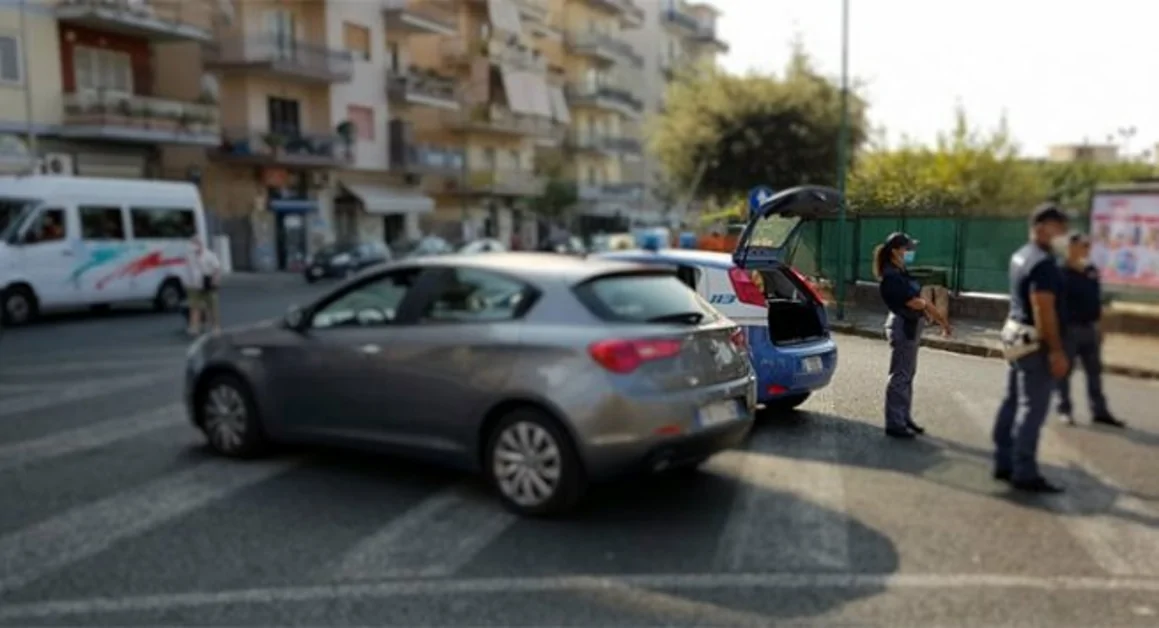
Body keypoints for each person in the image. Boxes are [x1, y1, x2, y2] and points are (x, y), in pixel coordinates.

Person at [992, 204, 1071, 493]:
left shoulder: (1021, 255)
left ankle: (1004, 460)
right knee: (1032, 408)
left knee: (1012, 400)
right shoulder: (1044, 264)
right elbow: (1043, 310)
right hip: (1034, 340)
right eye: (1059, 229)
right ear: (1041, 228)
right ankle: (1024, 471)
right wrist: (1056, 351)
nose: (1064, 235)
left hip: (1014, 333)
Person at [875, 232, 952, 439]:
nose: (910, 252)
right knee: (900, 375)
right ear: (895, 251)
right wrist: (924, 305)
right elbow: (914, 302)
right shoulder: (891, 276)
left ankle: (903, 417)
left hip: (912, 325)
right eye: (906, 249)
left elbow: (921, 301)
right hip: (903, 326)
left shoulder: (901, 272)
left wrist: (942, 321)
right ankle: (895, 422)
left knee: (908, 375)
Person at [1057, 232, 1125, 427]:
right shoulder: (1060, 272)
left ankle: (1100, 411)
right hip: (1069, 329)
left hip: (1090, 328)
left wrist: (1100, 327)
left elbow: (1096, 302)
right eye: (1082, 245)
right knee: (1064, 372)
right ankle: (1064, 409)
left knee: (1094, 371)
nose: (1086, 249)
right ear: (1071, 248)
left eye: (1087, 246)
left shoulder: (1091, 271)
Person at [186, 235, 222, 336]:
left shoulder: (209, 255)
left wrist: (215, 281)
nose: (193, 246)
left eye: (195, 244)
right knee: (194, 306)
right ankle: (195, 327)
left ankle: (216, 327)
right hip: (194, 284)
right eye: (192, 244)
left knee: (212, 307)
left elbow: (217, 269)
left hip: (208, 282)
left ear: (200, 244)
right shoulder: (190, 255)